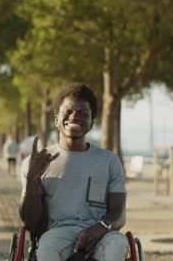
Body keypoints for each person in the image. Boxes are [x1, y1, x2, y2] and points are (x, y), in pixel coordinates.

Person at [19, 83, 128, 261]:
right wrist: (33, 179)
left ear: (92, 123)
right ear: (56, 120)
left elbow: (118, 214)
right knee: (47, 248)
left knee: (117, 246)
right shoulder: (36, 162)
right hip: (56, 233)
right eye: (68, 111)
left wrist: (99, 228)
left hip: (103, 232)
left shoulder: (109, 161)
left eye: (83, 113)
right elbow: (31, 223)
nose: (75, 116)